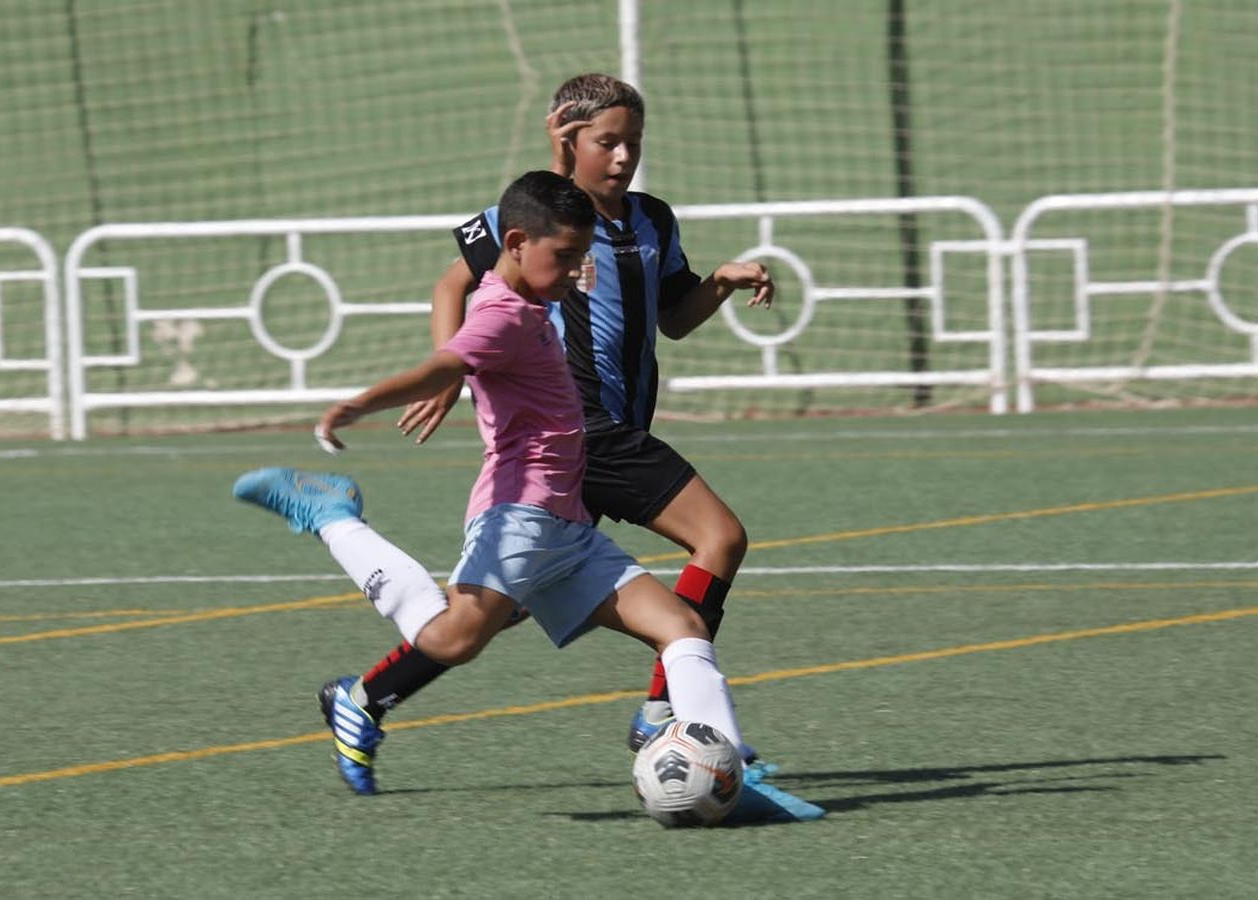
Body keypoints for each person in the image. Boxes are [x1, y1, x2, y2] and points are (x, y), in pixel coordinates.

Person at [235, 171, 821, 823]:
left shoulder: (528, 298)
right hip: (515, 519)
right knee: (451, 638)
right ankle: (332, 518)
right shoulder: (503, 315)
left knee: (681, 628)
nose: (577, 272)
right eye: (566, 258)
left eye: (582, 257)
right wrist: (363, 401)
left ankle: (729, 765)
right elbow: (447, 364)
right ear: (516, 243)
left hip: (565, 527)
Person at [378, 73, 780, 758]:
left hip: (612, 435)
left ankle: (367, 696)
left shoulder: (654, 218)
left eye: (633, 143)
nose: (623, 157)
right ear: (571, 140)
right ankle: (667, 712)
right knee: (721, 538)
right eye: (607, 142)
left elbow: (674, 320)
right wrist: (452, 373)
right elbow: (453, 281)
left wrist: (718, 282)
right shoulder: (542, 218)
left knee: (499, 608)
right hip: (585, 427)